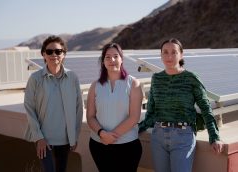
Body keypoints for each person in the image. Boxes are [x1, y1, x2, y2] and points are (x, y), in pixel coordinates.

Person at [138, 38, 224, 172]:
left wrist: (214, 137)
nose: (169, 56)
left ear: (181, 55)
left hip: (183, 137)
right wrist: (137, 129)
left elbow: (206, 108)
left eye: (174, 52)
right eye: (165, 52)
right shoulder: (156, 79)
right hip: (158, 137)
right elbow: (151, 112)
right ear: (161, 55)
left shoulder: (191, 78)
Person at [24, 35, 83, 172]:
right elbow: (29, 108)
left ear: (64, 54)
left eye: (58, 51)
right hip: (44, 140)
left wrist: (74, 136)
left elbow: (79, 108)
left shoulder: (72, 77)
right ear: (44, 54)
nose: (54, 55)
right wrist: (39, 138)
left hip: (65, 140)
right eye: (49, 51)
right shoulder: (35, 78)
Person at [86, 43, 143, 172]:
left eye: (115, 56)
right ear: (103, 61)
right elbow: (90, 116)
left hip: (128, 147)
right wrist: (102, 134)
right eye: (107, 57)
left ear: (121, 59)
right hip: (98, 145)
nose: (112, 60)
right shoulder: (95, 85)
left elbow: (134, 117)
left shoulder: (133, 83)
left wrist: (112, 136)